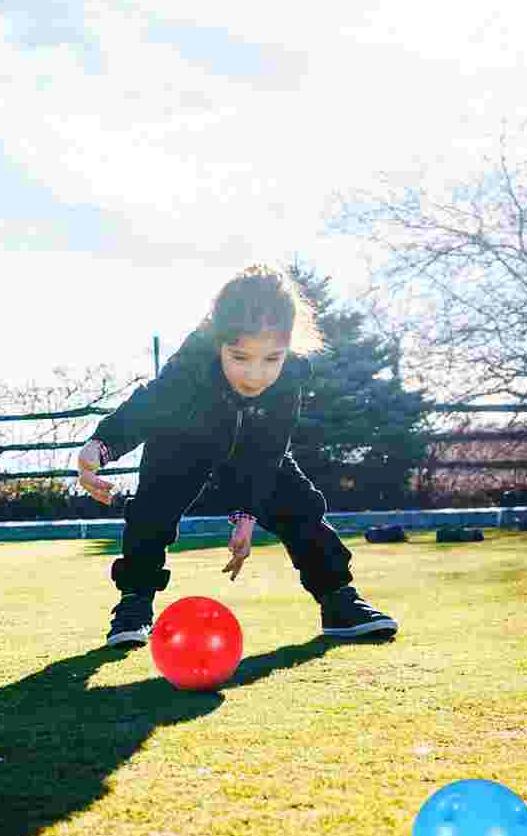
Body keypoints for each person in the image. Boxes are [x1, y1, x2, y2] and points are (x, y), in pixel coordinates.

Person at [76, 263, 398, 648]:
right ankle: (134, 603)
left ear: (288, 347)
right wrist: (99, 446)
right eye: (240, 357)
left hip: (253, 446)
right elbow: (150, 404)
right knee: (151, 511)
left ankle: (339, 601)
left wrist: (247, 516)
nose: (255, 376)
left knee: (300, 505)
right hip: (182, 440)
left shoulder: (292, 375)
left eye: (271, 358)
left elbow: (268, 452)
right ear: (219, 342)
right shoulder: (195, 358)